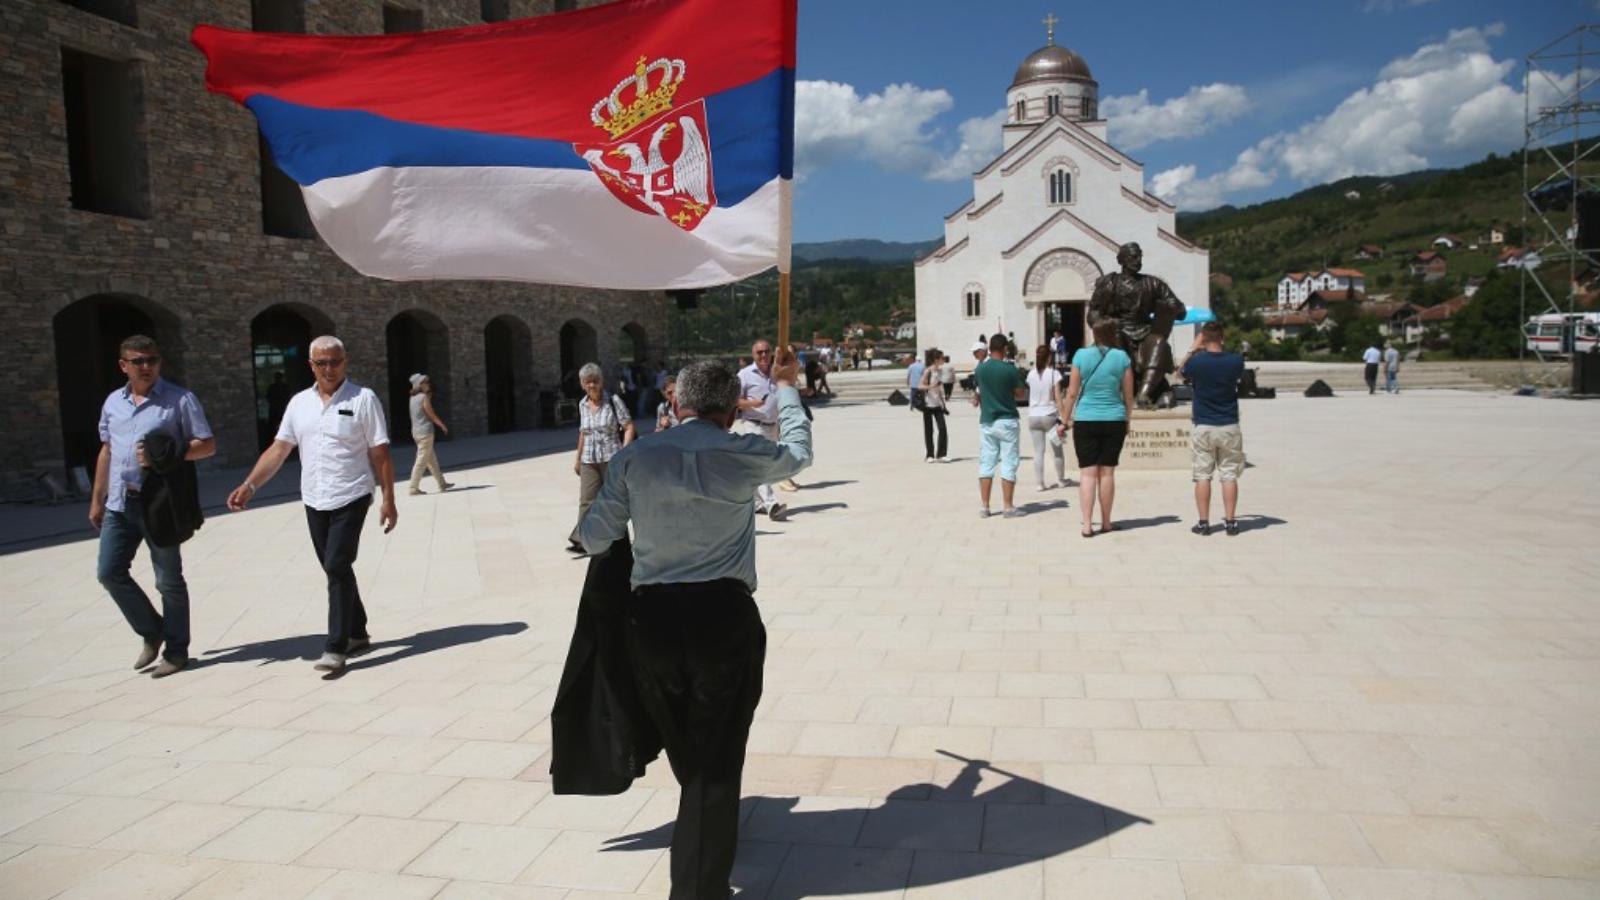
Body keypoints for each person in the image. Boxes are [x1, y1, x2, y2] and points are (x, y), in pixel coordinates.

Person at [577, 353, 812, 900]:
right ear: (732, 412)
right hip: (721, 619)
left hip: (652, 621)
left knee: (689, 742)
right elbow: (798, 453)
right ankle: (699, 887)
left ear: (676, 404)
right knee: (717, 753)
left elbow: (593, 537)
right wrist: (787, 389)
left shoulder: (636, 457)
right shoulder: (742, 451)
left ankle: (707, 826)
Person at [227, 335, 397, 674]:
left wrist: (389, 499)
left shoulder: (363, 399)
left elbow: (380, 453)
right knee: (336, 567)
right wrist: (250, 485)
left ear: (345, 361)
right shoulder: (298, 403)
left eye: (335, 362)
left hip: (352, 494)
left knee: (336, 563)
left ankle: (336, 647)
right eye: (322, 363)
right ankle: (358, 632)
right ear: (311, 366)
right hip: (314, 498)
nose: (329, 369)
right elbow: (278, 450)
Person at [90, 335, 216, 678]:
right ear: (123, 365)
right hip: (119, 503)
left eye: (152, 360)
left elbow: (206, 445)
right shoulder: (113, 403)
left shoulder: (179, 400)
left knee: (168, 580)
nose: (146, 367)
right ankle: (151, 630)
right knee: (109, 572)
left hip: (160, 504)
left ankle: (176, 651)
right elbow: (107, 450)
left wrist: (170, 453)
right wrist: (97, 498)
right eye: (138, 361)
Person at [1061, 319, 1134, 538]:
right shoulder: (1122, 357)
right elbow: (1128, 395)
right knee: (1107, 473)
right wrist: (1127, 419)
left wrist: (1064, 419)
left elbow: (1072, 393)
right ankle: (1106, 522)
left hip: (1085, 419)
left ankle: (1086, 525)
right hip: (1114, 419)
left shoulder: (1081, 356)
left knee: (1088, 474)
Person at [1179, 322, 1247, 536]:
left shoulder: (1197, 363)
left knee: (1202, 475)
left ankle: (1204, 523)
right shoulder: (1236, 361)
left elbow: (1179, 373)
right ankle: (1231, 522)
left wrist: (1192, 348)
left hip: (1204, 424)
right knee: (1228, 475)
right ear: (1222, 338)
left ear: (1204, 340)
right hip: (1228, 423)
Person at [569, 362, 635, 554]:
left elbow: (629, 426)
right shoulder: (582, 404)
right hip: (589, 460)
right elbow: (583, 432)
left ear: (601, 381)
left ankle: (617, 540)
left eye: (595, 381)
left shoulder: (613, 401)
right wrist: (578, 458)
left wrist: (624, 452)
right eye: (587, 382)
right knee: (586, 500)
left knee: (612, 500)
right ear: (582, 384)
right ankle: (582, 540)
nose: (592, 385)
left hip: (611, 459)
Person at [971, 334, 1027, 518]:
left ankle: (984, 506)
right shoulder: (1009, 369)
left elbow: (979, 391)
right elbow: (1020, 393)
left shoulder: (980, 370)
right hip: (1007, 419)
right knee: (1009, 462)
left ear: (989, 349)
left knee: (986, 463)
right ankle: (1008, 506)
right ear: (1004, 349)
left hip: (987, 420)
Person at [736, 339, 787, 520]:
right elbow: (734, 400)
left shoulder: (775, 372)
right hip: (753, 424)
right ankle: (771, 504)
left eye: (766, 351)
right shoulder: (744, 375)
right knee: (760, 464)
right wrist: (751, 403)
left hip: (773, 425)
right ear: (753, 355)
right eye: (760, 352)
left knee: (765, 467)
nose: (764, 355)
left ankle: (756, 504)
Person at [1025, 345, 1067, 492]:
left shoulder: (1031, 374)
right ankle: (1061, 480)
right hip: (1049, 416)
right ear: (1050, 357)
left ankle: (1040, 483)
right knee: (1057, 449)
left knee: (1038, 452)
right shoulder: (1053, 374)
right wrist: (1064, 417)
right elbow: (1058, 397)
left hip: (1034, 416)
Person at [406, 373, 454, 496]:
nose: (428, 384)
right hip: (425, 433)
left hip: (416, 432)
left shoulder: (412, 398)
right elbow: (431, 414)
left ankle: (442, 483)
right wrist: (442, 425)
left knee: (431, 460)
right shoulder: (423, 397)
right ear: (419, 385)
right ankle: (413, 487)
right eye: (425, 382)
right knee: (421, 460)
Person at [917, 348, 949, 462]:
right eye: (942, 358)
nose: (944, 359)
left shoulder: (940, 371)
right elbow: (920, 385)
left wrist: (943, 403)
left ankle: (941, 454)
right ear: (936, 359)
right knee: (929, 430)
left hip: (937, 404)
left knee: (943, 429)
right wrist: (931, 386)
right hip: (928, 404)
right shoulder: (928, 371)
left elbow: (939, 388)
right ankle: (929, 455)